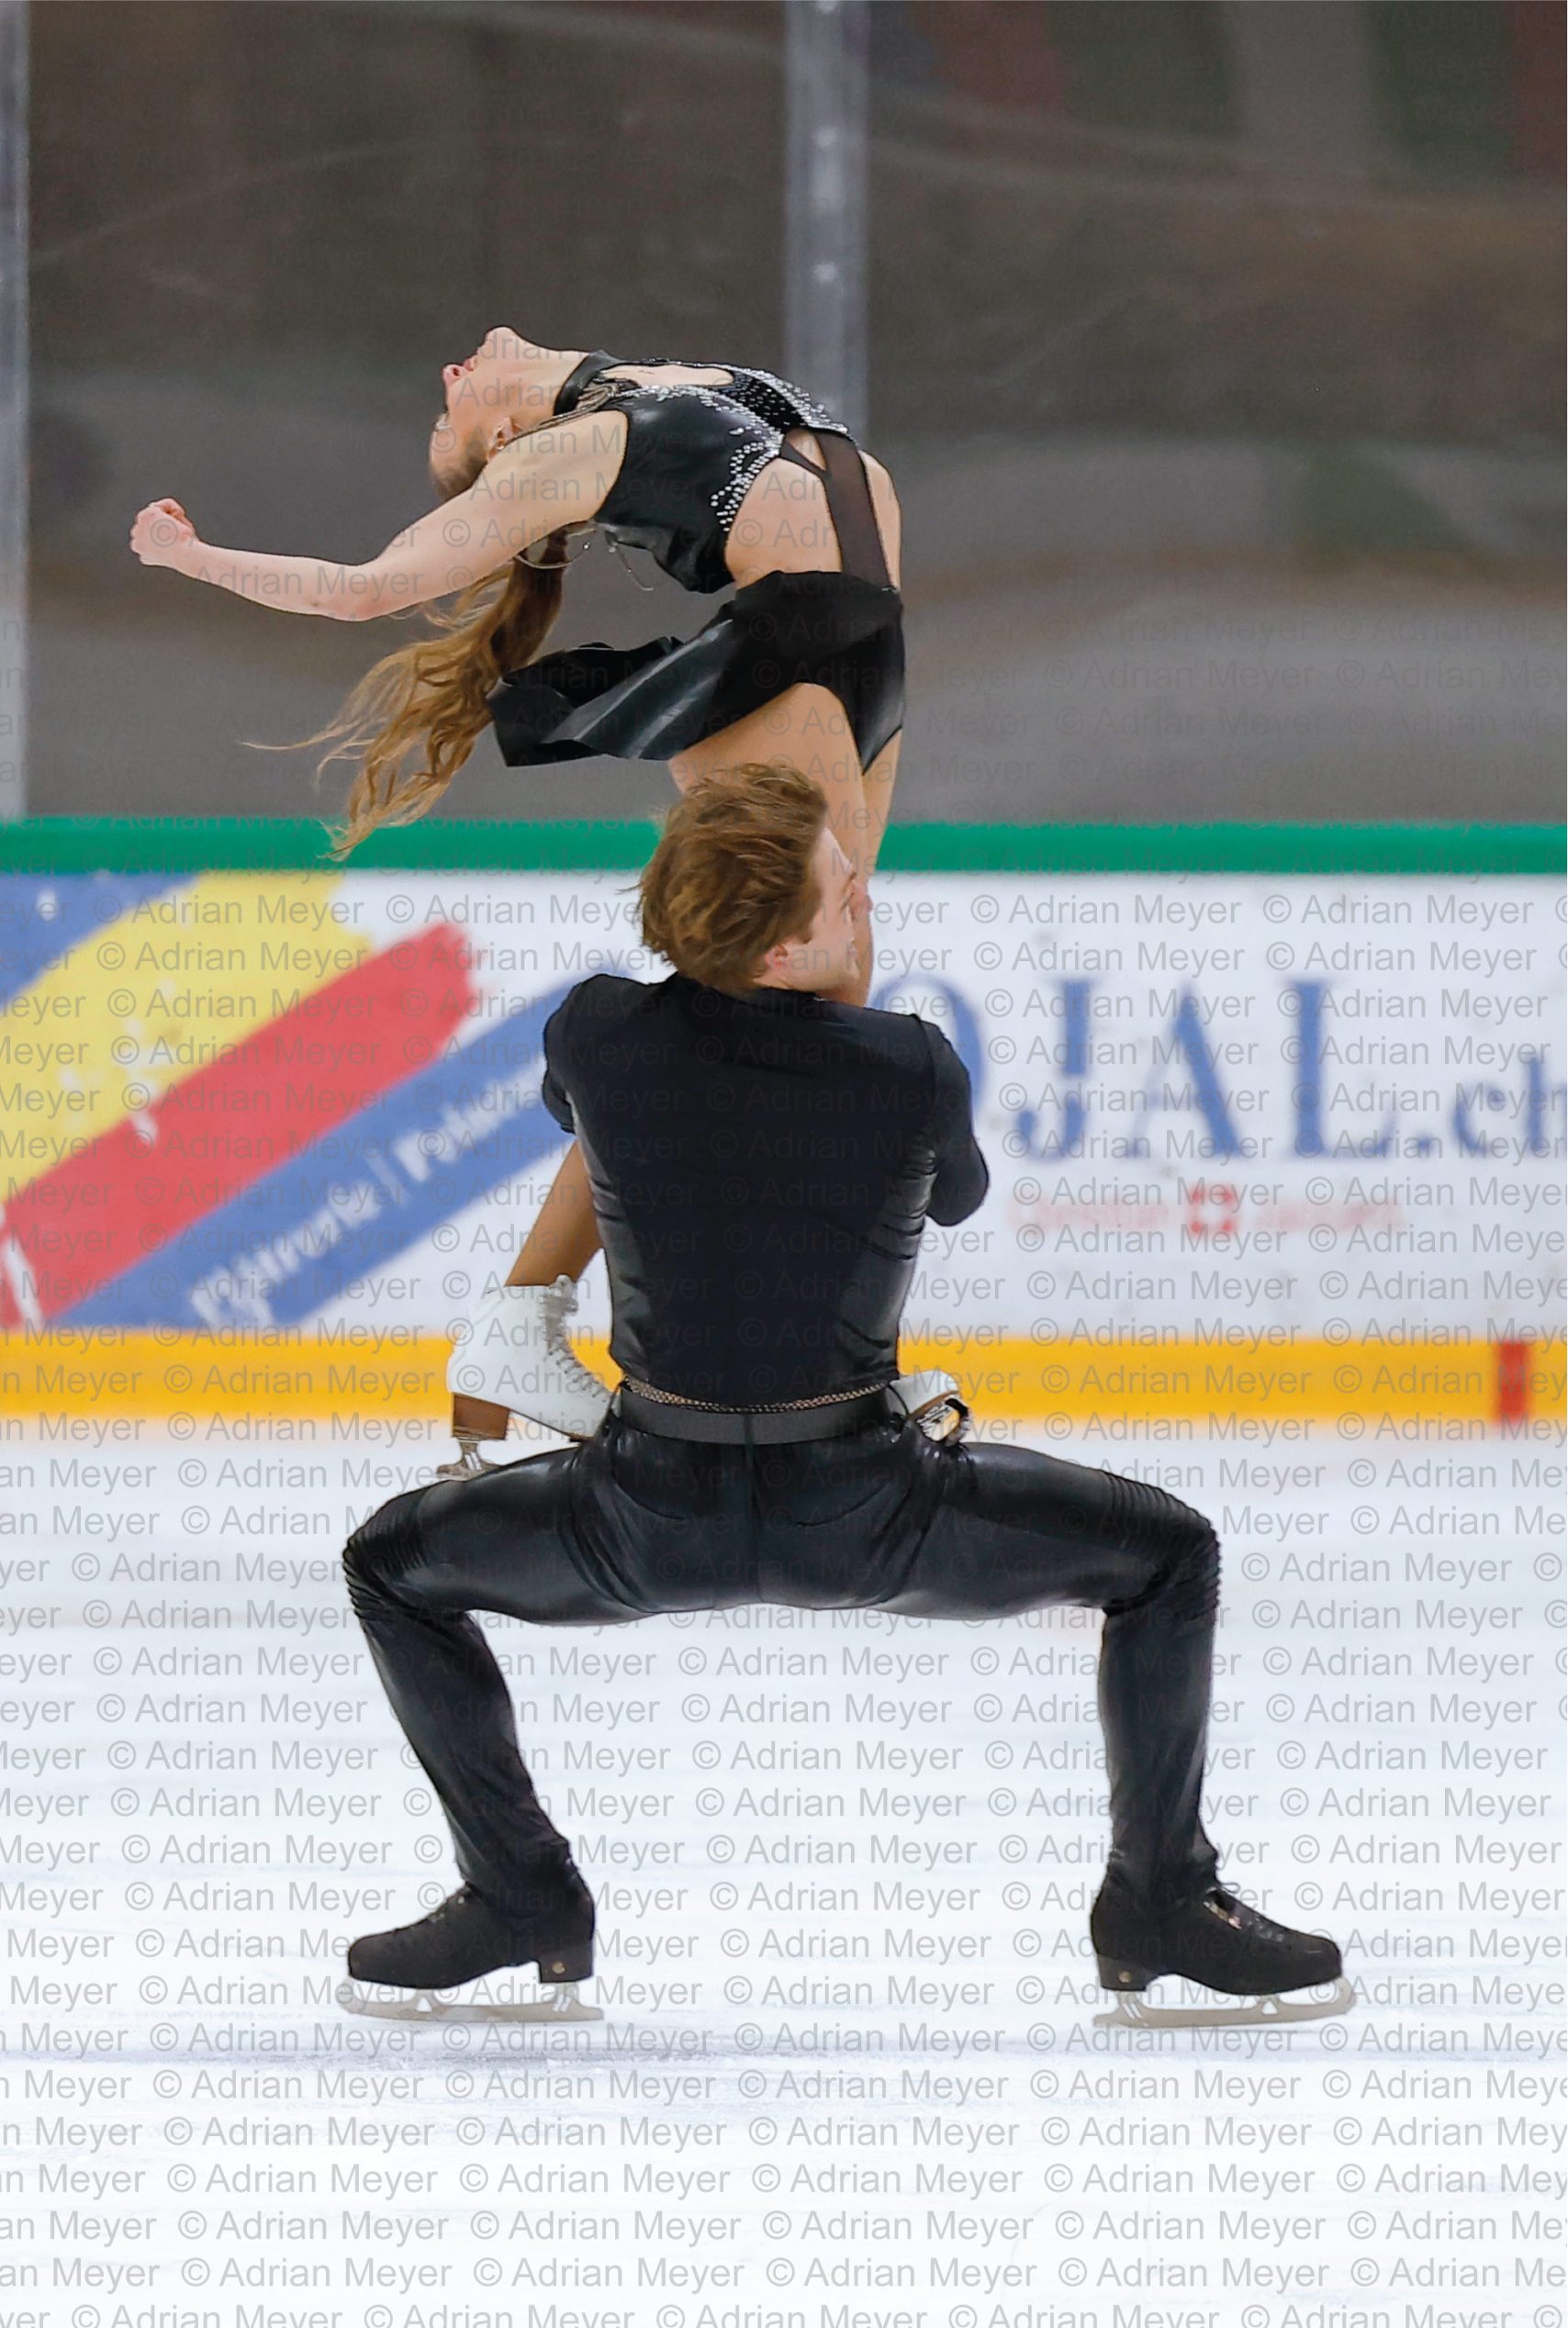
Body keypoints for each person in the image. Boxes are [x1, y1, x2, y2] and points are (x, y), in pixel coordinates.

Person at [337, 762, 1351, 2032]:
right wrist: (851, 1009)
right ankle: (1157, 1902)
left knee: (391, 1563)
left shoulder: (594, 1030)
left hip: (645, 1512)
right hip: (872, 1509)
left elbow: (594, 1114)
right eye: (842, 890)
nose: (864, 898)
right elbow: (958, 1195)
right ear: (780, 952)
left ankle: (519, 1892)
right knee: (1166, 1555)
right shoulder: (908, 1065)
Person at [128, 327, 905, 1456]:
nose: (447, 374)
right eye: (450, 418)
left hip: (861, 650)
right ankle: (567, 1324)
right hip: (787, 663)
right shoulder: (562, 453)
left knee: (820, 1020)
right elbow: (363, 591)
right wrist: (191, 560)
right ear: (501, 440)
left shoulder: (636, 382)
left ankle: (783, 1358)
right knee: (784, 1029)